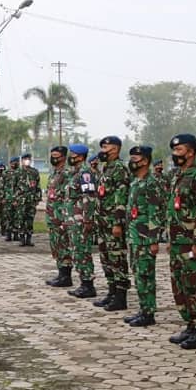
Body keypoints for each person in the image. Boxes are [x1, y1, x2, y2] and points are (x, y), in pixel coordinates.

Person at [165, 133, 196, 350]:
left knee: (194, 285)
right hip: (176, 240)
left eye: (179, 150)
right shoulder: (177, 175)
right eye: (174, 150)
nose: (175, 154)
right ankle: (190, 324)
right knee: (179, 285)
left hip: (191, 241)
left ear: (191, 152)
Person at [123, 145, 163, 327]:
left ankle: (149, 312)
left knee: (146, 275)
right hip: (134, 236)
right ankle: (142, 308)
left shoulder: (151, 183)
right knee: (138, 273)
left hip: (146, 237)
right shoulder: (135, 182)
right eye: (131, 158)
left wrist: (154, 239)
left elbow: (155, 212)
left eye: (135, 159)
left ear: (145, 161)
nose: (132, 162)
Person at [93, 135, 131, 311]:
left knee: (117, 258)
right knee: (106, 257)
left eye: (106, 147)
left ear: (115, 149)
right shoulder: (106, 168)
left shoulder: (120, 169)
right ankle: (111, 291)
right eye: (102, 147)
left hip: (112, 223)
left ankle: (121, 296)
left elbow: (121, 198)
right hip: (102, 222)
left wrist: (117, 223)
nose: (103, 151)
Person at [65, 144, 99, 299]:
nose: (69, 157)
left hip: (81, 220)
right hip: (74, 219)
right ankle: (83, 282)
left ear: (80, 156)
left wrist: (87, 219)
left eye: (72, 154)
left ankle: (88, 284)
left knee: (82, 251)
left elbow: (89, 197)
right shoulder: (75, 172)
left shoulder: (85, 173)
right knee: (76, 250)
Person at [44, 146, 74, 287]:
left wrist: (66, 218)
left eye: (56, 155)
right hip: (52, 216)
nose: (53, 158)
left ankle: (66, 276)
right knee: (56, 246)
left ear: (63, 157)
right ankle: (61, 273)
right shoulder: (54, 174)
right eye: (52, 155)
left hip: (61, 216)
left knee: (64, 246)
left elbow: (68, 197)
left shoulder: (67, 174)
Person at [16, 152, 42, 246]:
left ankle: (29, 238)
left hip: (31, 200)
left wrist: (38, 198)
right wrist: (15, 199)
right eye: (25, 159)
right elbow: (13, 187)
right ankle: (22, 238)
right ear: (22, 160)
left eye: (28, 159)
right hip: (21, 200)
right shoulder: (18, 172)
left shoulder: (34, 172)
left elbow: (38, 186)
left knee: (30, 219)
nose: (27, 161)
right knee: (21, 219)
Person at [4, 156, 21, 241]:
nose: (15, 164)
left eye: (16, 162)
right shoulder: (6, 173)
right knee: (8, 217)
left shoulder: (21, 173)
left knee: (17, 217)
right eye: (13, 162)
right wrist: (3, 197)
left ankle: (16, 234)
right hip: (8, 199)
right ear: (10, 163)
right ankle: (8, 234)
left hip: (18, 199)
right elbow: (1, 186)